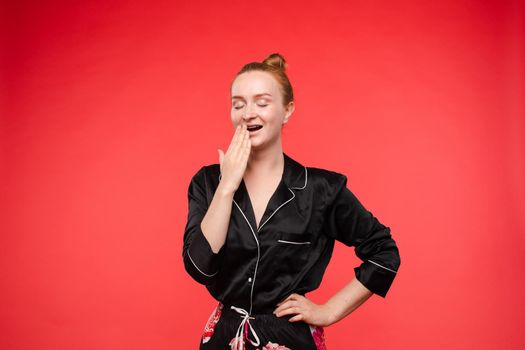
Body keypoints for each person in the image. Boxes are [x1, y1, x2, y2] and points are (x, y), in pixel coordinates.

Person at [182, 53, 401, 350]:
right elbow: (200, 268)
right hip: (224, 339)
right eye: (238, 104)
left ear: (287, 111)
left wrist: (328, 311)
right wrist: (227, 186)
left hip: (289, 339)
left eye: (262, 102)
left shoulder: (321, 190)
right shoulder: (207, 182)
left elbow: (383, 252)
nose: (248, 113)